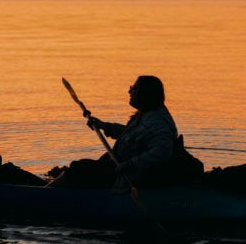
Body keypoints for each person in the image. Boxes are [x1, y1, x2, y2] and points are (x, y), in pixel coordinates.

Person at [50, 75, 194, 188]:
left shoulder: (158, 122)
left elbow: (161, 153)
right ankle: (51, 188)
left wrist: (128, 166)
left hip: (130, 177)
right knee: (84, 166)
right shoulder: (146, 114)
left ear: (145, 94)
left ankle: (47, 194)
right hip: (119, 167)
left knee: (80, 167)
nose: (129, 91)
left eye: (134, 88)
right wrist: (104, 126)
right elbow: (131, 134)